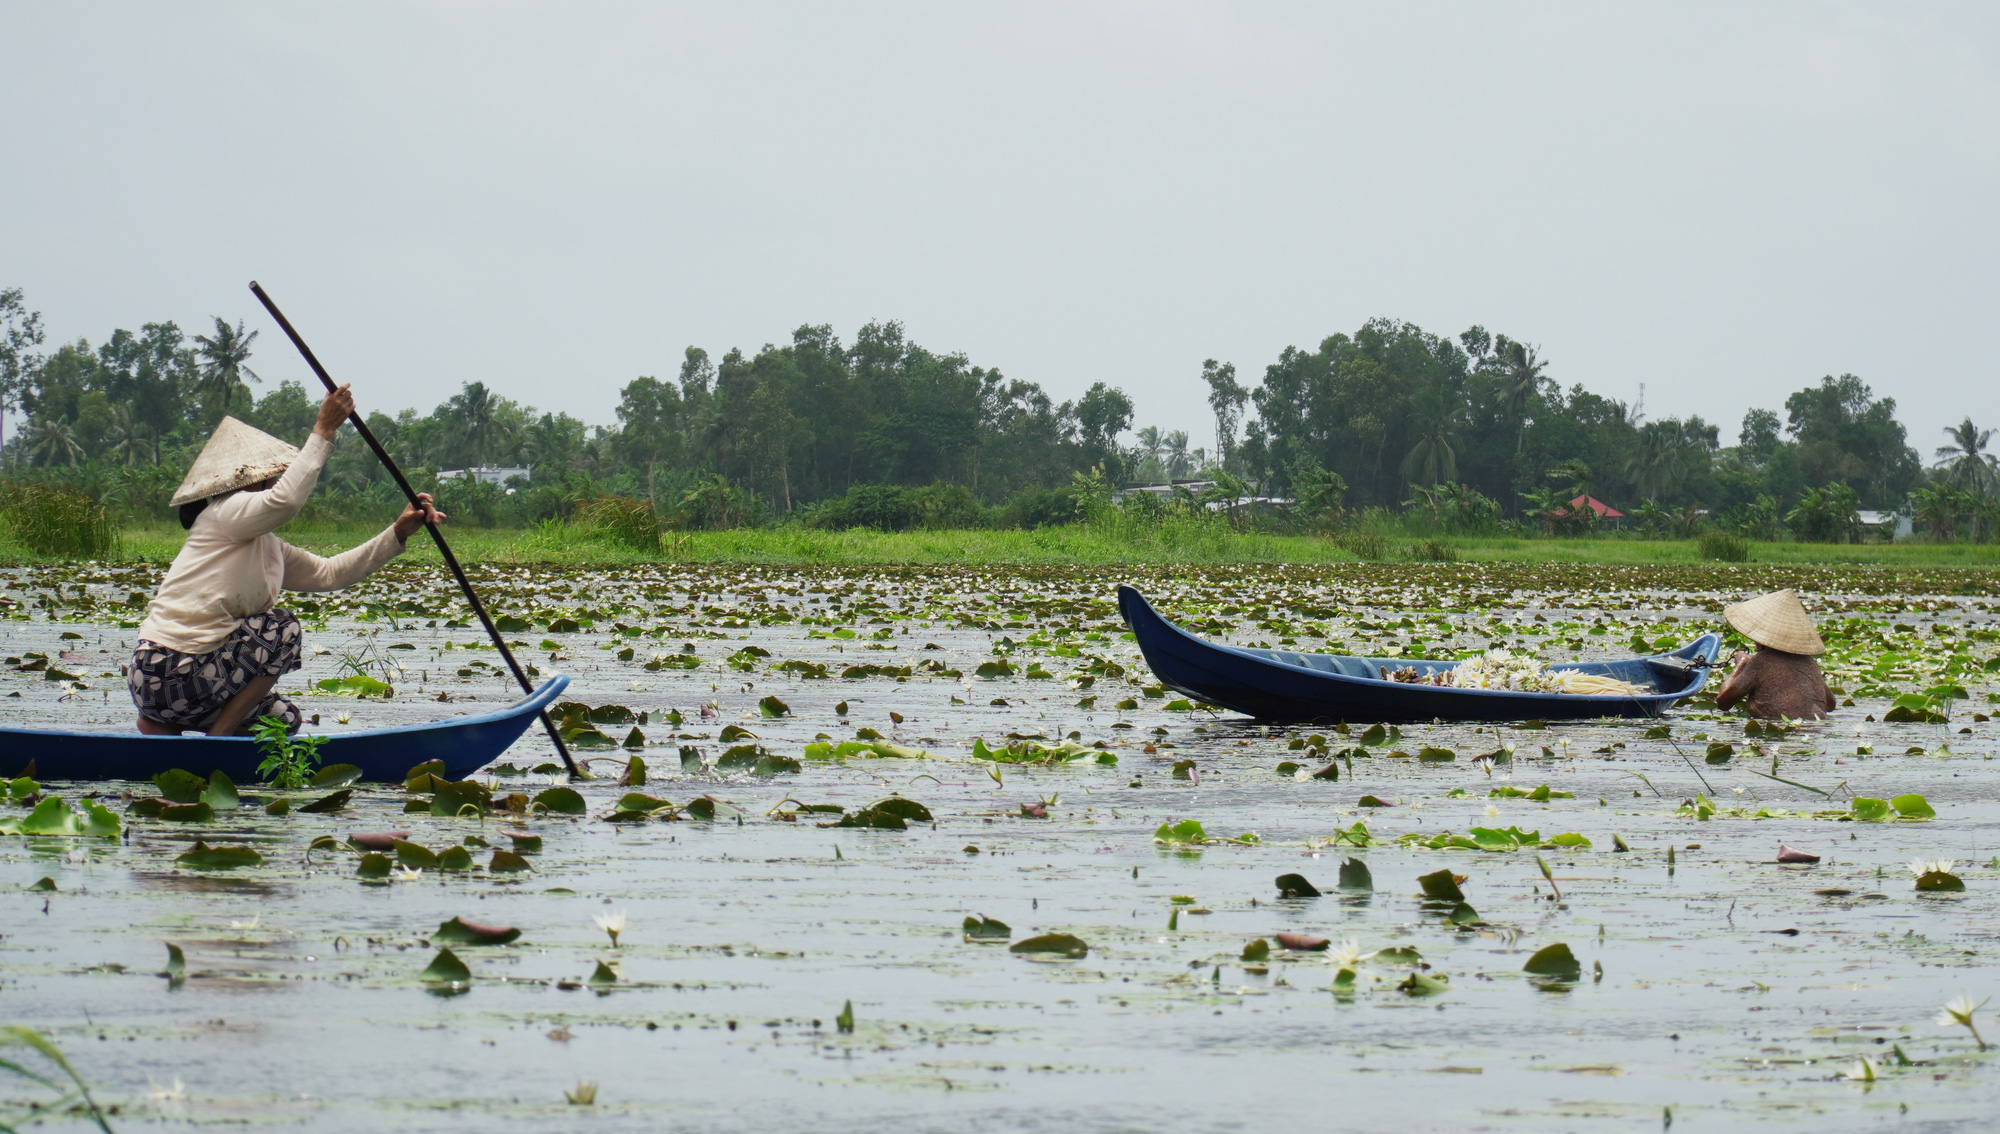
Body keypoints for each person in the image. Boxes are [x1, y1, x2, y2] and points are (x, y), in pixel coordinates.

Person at [129, 384, 445, 736]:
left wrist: (397, 533)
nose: (278, 477)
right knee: (282, 627)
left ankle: (164, 731)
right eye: (271, 475)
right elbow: (285, 502)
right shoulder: (226, 512)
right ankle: (212, 740)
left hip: (176, 682)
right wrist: (324, 430)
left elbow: (330, 573)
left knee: (280, 721)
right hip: (169, 669)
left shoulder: (266, 546)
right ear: (252, 478)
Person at [1714, 588, 1835, 720]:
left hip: (1781, 731)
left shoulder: (1761, 661)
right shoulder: (1809, 661)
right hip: (1816, 731)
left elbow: (1723, 702)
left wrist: (1741, 664)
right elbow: (1830, 705)